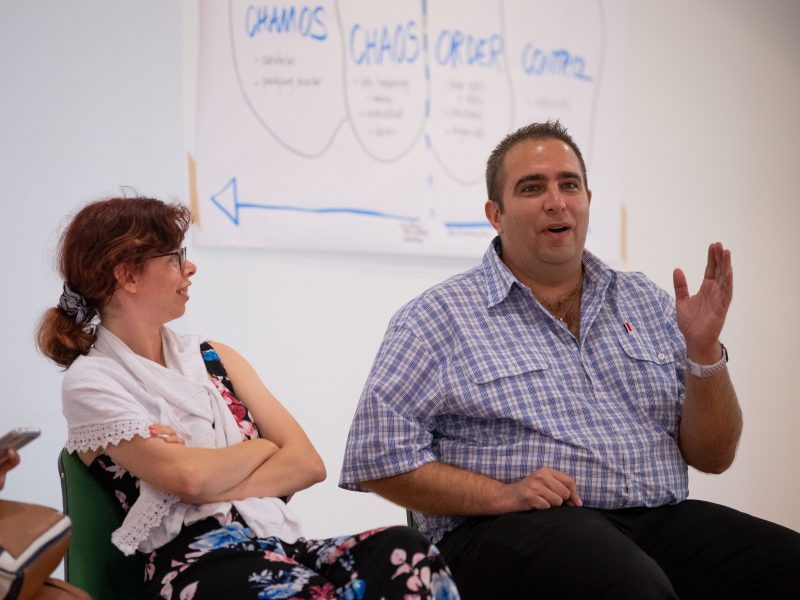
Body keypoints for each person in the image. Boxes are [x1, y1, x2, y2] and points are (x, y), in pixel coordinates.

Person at [339, 121, 800, 599]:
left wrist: (704, 352)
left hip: (656, 518)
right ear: (495, 214)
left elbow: (714, 456)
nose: (555, 201)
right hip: (509, 529)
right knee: (631, 588)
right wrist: (503, 494)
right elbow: (376, 457)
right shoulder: (438, 317)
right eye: (532, 187)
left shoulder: (646, 300)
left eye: (569, 184)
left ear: (587, 200)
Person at [37, 196, 460, 600]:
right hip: (194, 565)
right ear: (127, 275)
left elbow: (307, 464)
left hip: (275, 543)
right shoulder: (92, 380)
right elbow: (191, 479)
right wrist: (261, 447)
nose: (190, 268)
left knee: (407, 553)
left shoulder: (214, 356)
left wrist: (207, 476)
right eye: (174, 258)